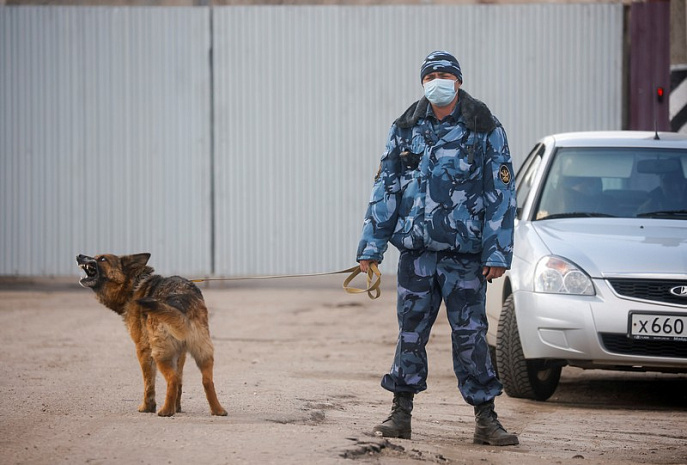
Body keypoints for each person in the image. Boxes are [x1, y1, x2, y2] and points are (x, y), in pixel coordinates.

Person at [356, 51, 518, 446]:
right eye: (432, 75)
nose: (438, 81)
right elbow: (387, 188)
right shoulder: (406, 127)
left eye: (446, 75)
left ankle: (486, 419)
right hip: (417, 255)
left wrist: (497, 253)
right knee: (410, 334)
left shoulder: (485, 125)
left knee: (471, 337)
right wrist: (371, 246)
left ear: (458, 81)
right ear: (423, 82)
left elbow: (501, 193)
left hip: (465, 258)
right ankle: (401, 412)